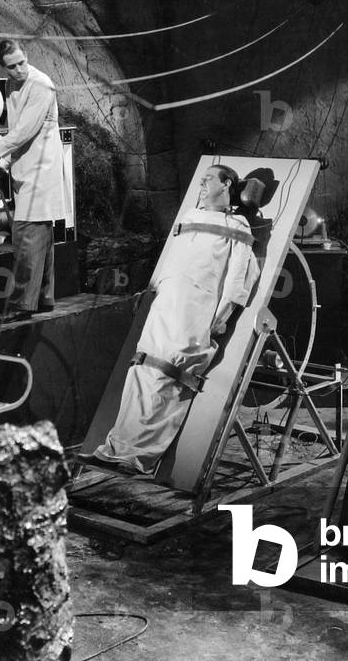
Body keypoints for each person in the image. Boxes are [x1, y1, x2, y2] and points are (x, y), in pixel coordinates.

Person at [89, 165, 260, 474]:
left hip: (195, 309)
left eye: (208, 179)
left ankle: (139, 455)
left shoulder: (237, 226)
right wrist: (153, 291)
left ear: (227, 184)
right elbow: (172, 260)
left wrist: (219, 319)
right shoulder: (190, 218)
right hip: (165, 302)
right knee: (142, 366)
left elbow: (239, 281)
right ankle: (115, 447)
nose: (202, 184)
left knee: (168, 371)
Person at [0, 39, 69, 318]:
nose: (19, 70)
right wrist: (3, 163)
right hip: (27, 169)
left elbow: (25, 131)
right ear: (3, 67)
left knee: (26, 235)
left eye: (21, 63)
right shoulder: (11, 85)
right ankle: (43, 298)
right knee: (41, 237)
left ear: (27, 56)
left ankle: (21, 305)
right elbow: (18, 132)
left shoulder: (41, 85)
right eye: (12, 67)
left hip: (40, 171)